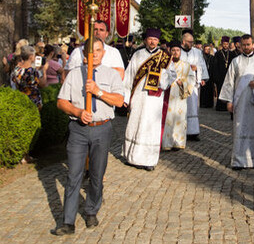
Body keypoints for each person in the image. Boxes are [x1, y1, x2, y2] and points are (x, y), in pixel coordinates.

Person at [52, 39, 125, 235]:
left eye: (99, 50)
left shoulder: (111, 74)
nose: (95, 54)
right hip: (78, 129)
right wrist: (76, 111)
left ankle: (92, 209)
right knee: (73, 174)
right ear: (85, 54)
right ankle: (68, 221)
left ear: (103, 53)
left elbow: (119, 101)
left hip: (102, 129)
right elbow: (61, 102)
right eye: (91, 51)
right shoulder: (75, 75)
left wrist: (98, 92)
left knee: (97, 173)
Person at [218, 34, 254, 169]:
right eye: (244, 45)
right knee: (239, 129)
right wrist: (229, 101)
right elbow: (229, 82)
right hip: (240, 103)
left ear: (253, 45)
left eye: (249, 44)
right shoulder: (235, 62)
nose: (246, 47)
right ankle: (238, 160)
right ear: (240, 45)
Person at [122, 28, 173, 171]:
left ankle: (149, 160)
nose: (152, 42)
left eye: (155, 40)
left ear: (158, 41)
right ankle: (131, 157)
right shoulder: (137, 55)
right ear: (146, 40)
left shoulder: (165, 57)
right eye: (150, 39)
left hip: (154, 99)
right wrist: (126, 96)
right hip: (138, 96)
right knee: (135, 124)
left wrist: (162, 76)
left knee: (151, 127)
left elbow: (172, 76)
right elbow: (129, 76)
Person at [161, 41, 196, 150]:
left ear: (180, 52)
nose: (175, 53)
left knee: (179, 119)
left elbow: (192, 79)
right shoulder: (165, 64)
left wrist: (184, 84)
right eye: (173, 50)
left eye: (177, 50)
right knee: (167, 119)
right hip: (167, 95)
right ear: (169, 51)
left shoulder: (186, 66)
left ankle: (177, 142)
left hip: (180, 96)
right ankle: (166, 142)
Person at [180, 30, 209, 141]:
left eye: (192, 42)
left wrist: (200, 74)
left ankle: (193, 132)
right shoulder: (178, 51)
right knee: (181, 108)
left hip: (193, 84)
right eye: (189, 42)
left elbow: (201, 65)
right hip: (181, 84)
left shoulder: (197, 52)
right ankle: (181, 131)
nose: (192, 44)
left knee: (193, 108)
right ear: (183, 41)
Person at [212, 36, 237, 111]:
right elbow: (215, 66)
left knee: (228, 90)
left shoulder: (232, 54)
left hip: (229, 75)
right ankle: (220, 107)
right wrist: (216, 77)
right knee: (220, 90)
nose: (225, 45)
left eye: (227, 44)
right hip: (220, 76)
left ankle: (227, 106)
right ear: (222, 44)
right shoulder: (218, 54)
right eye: (224, 44)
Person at [200, 43, 215, 108]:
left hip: (210, 75)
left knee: (210, 90)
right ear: (203, 49)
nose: (207, 50)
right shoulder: (201, 57)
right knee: (203, 90)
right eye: (206, 49)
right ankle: (203, 103)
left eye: (208, 49)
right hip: (203, 76)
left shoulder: (212, 57)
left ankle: (210, 104)